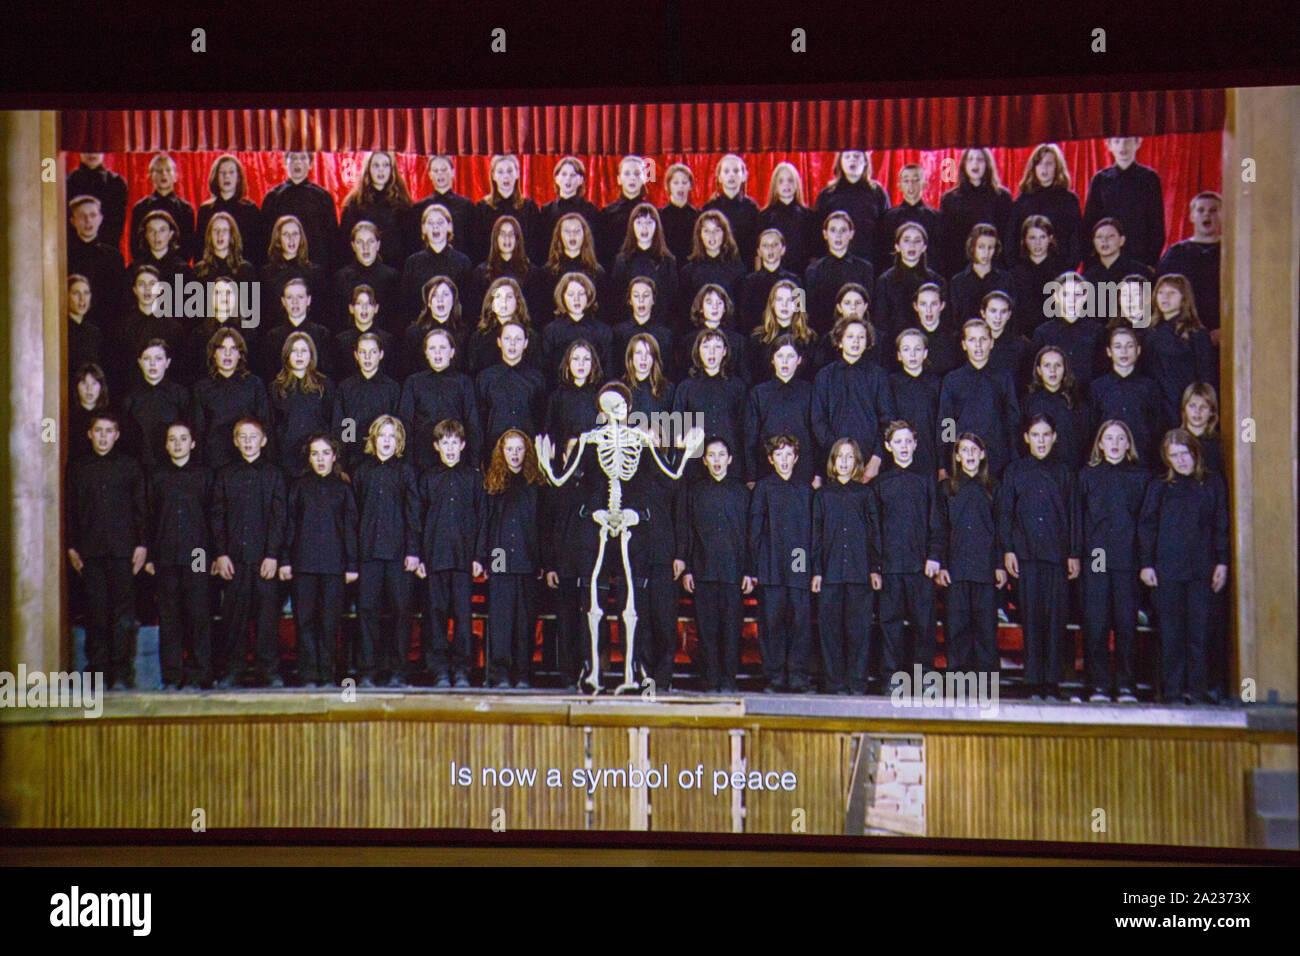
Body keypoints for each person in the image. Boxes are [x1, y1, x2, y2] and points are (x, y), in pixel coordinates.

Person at [1138, 429, 1229, 703]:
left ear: (1195, 452)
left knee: (1199, 634)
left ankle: (1198, 691)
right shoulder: (1159, 486)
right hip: (1168, 571)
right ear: (1167, 459)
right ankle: (1173, 692)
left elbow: (1221, 525)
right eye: (1174, 456)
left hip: (1202, 570)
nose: (1181, 460)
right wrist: (1146, 565)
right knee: (1171, 634)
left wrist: (1222, 562)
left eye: (1185, 453)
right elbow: (1147, 527)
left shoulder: (1212, 484)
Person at [997, 413, 1081, 699]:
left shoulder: (1065, 472)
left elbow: (1073, 515)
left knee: (1056, 620)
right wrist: (1008, 549)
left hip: (1056, 557)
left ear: (1055, 437)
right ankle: (1033, 681)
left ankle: (1052, 682)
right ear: (1026, 438)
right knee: (1032, 620)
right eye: (1036, 435)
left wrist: (1074, 553)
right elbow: (1005, 514)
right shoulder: (1015, 471)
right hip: (1027, 555)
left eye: (1046, 435)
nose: (1041, 441)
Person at [66, 413, 148, 690]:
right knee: (96, 613)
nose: (103, 437)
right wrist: (72, 546)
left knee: (123, 614)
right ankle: (98, 672)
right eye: (98, 431)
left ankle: (122, 672)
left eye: (109, 431)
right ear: (89, 434)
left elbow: (141, 509)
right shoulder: (77, 468)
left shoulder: (130, 467)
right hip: (90, 551)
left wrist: (142, 545)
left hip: (124, 550)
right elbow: (71, 510)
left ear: (117, 435)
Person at [621, 337, 681, 690]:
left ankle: (664, 675)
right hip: (632, 523)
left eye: (648, 354)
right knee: (636, 606)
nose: (643, 360)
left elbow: (673, 444)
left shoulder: (669, 394)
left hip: (664, 531)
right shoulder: (618, 394)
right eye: (636, 354)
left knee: (663, 610)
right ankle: (639, 672)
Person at [210, 417, 288, 688]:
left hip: (265, 560)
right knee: (235, 618)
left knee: (267, 619)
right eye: (241, 436)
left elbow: (280, 519)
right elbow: (217, 517)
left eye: (253, 436)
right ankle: (234, 669)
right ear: (234, 441)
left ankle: (269, 671)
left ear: (264, 441)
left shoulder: (275, 475)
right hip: (233, 559)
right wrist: (220, 554)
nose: (247, 441)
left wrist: (273, 555)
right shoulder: (224, 474)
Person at [279, 434, 359, 688]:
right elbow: (289, 525)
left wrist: (352, 565)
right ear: (308, 458)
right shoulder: (299, 487)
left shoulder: (343, 488)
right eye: (315, 454)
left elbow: (350, 528)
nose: (320, 459)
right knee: (305, 620)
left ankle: (326, 673)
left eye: (326, 453)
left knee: (328, 621)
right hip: (303, 565)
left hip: (334, 566)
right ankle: (307, 673)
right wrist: (284, 561)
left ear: (334, 457)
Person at [674, 437, 753, 692]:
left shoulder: (742, 493)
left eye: (721, 455)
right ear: (705, 460)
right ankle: (709, 681)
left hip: (733, 573)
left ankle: (729, 681)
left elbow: (750, 535)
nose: (717, 460)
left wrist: (750, 572)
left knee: (731, 630)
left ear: (729, 459)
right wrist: (687, 568)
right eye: (711, 455)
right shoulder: (695, 491)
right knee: (706, 631)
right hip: (703, 571)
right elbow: (686, 530)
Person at [1078, 420, 1149, 703]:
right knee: (1096, 623)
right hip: (1096, 557)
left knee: (1125, 624)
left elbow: (1144, 522)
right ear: (1100, 444)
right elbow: (1080, 518)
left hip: (1127, 558)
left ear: (1128, 444)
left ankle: (1126, 686)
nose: (1115, 444)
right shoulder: (1087, 475)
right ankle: (1098, 686)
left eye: (1121, 439)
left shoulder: (1140, 477)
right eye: (1109, 439)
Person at [352, 416, 421, 687]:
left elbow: (414, 515)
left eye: (393, 436)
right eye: (382, 436)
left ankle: (398, 672)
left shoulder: (407, 472)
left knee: (401, 612)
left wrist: (413, 552)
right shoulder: (361, 472)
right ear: (373, 439)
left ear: (399, 441)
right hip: (368, 553)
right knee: (367, 611)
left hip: (399, 554)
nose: (387, 441)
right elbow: (353, 515)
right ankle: (367, 671)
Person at [144, 421, 213, 690]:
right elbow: (148, 517)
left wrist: (213, 556)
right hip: (166, 553)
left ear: (192, 443)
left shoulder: (204, 475)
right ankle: (172, 676)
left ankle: (200, 675)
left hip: (196, 552)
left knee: (198, 614)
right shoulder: (157, 476)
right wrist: (150, 554)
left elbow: (213, 516)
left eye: (183, 439)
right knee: (170, 616)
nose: (177, 444)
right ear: (165, 444)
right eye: (172, 439)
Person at [475, 428, 547, 688]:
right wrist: (483, 558)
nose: (515, 455)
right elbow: (486, 523)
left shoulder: (535, 484)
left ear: (526, 452)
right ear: (501, 453)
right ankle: (501, 674)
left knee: (525, 621)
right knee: (502, 620)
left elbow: (542, 526)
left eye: (519, 449)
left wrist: (541, 561)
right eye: (509, 450)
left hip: (528, 560)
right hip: (500, 558)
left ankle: (524, 674)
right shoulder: (493, 484)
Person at [811, 438, 880, 694]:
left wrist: (874, 568)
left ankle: (857, 681)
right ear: (832, 461)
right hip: (829, 574)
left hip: (859, 573)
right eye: (839, 456)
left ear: (857, 463)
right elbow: (815, 536)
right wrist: (816, 570)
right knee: (830, 631)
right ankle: (834, 682)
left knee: (858, 631)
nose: (844, 462)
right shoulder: (822, 495)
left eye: (850, 457)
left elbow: (874, 534)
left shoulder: (865, 494)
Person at [874, 422, 944, 674]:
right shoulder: (880, 483)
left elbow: (936, 522)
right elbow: (875, 529)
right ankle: (891, 678)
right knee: (889, 624)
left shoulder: (926, 482)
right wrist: (877, 565)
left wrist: (934, 556)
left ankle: (921, 677)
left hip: (920, 566)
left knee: (923, 625)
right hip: (890, 566)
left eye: (907, 441)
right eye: (897, 442)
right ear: (888, 446)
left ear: (915, 444)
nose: (903, 447)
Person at [415, 419, 481, 688]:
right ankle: (439, 669)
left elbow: (483, 519)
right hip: (435, 558)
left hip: (464, 559)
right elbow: (417, 519)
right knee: (435, 614)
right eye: (445, 443)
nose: (450, 448)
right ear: (436, 446)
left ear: (463, 445)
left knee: (463, 617)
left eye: (455, 442)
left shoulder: (474, 477)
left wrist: (479, 557)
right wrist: (418, 556)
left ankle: (463, 669)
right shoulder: (427, 478)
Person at [935, 434, 1007, 675]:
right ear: (957, 456)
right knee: (957, 628)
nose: (970, 455)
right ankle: (959, 683)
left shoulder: (994, 487)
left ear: (983, 454)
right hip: (956, 569)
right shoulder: (947, 489)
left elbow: (1001, 529)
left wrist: (999, 564)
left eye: (975, 450)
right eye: (964, 450)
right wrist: (942, 565)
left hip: (985, 569)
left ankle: (986, 684)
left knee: (986, 629)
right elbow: (940, 528)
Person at [747, 434, 813, 693]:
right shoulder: (763, 489)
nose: (784, 460)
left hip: (798, 565)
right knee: (771, 622)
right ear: (770, 459)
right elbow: (755, 529)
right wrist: (754, 567)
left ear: (796, 458)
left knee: (799, 622)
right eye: (778, 455)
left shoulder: (805, 490)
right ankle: (774, 676)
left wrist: (807, 569)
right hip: (770, 565)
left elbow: (811, 532)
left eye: (788, 455)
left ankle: (798, 676)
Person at [811, 314, 895, 482]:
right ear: (840, 341)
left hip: (869, 465)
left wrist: (877, 458)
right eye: (850, 336)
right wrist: (837, 456)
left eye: (861, 337)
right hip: (834, 463)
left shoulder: (878, 375)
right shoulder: (825, 376)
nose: (856, 341)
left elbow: (888, 419)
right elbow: (818, 420)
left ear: (868, 342)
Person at [938, 319, 1020, 477]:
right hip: (964, 461)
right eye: (972, 340)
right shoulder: (952, 380)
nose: (978, 345)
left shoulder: (1003, 378)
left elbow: (1012, 420)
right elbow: (946, 423)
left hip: (998, 460)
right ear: (964, 344)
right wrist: (943, 463)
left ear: (991, 343)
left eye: (983, 340)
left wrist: (1014, 459)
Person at [399, 324, 481, 471]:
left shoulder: (464, 382)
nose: (438, 353)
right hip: (421, 461)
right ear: (426, 353)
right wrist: (408, 464)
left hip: (455, 461)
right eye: (432, 349)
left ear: (452, 352)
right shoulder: (413, 382)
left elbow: (472, 424)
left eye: (443, 348)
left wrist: (474, 463)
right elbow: (406, 424)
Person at [671, 329, 747, 478]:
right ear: (698, 351)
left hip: (729, 467)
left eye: (717, 347)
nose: (711, 352)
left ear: (725, 351)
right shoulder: (685, 387)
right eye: (706, 347)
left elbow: (743, 428)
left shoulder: (737, 387)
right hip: (695, 467)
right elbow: (676, 427)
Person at [191, 330, 271, 472]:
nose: (227, 354)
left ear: (240, 355)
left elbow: (264, 423)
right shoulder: (202, 388)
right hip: (214, 461)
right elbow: (199, 430)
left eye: (233, 349)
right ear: (213, 353)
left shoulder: (254, 384)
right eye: (222, 348)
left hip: (247, 460)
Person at [1142, 274, 1217, 425]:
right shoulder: (1149, 331)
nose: (1165, 298)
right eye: (1161, 293)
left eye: (1172, 293)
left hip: (1182, 407)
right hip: (1156, 407)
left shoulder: (1195, 333)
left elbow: (1205, 375)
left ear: (1184, 299)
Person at [1087, 325, 1166, 467]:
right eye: (1118, 346)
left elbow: (1156, 427)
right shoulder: (1097, 387)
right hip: (1108, 463)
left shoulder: (1150, 387)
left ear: (1138, 351)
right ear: (1109, 352)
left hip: (1142, 461)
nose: (1124, 351)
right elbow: (1092, 426)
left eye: (1129, 346)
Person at [1083, 136, 1165, 269]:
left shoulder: (1149, 179)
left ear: (1138, 142)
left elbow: (1156, 225)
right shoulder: (1100, 180)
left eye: (1127, 141)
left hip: (1139, 259)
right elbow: (1089, 224)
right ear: (1108, 145)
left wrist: (1150, 263)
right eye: (1117, 141)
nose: (1123, 146)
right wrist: (1092, 262)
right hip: (1106, 261)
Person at [744, 335, 815, 485]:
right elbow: (750, 438)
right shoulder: (758, 393)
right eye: (780, 356)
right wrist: (752, 477)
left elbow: (815, 436)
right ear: (772, 359)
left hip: (803, 472)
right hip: (766, 472)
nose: (784, 362)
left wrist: (818, 474)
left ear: (799, 360)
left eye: (790, 356)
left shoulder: (809, 392)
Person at [261, 151, 341, 278]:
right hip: (280, 273)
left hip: (315, 273)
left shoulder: (323, 197)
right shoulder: (273, 198)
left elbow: (333, 243)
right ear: (285, 163)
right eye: (293, 158)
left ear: (310, 164)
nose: (297, 162)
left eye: (302, 158)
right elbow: (264, 242)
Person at [1156, 192, 1222, 343]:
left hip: (1223, 336)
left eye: (1213, 210)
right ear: (1192, 216)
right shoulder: (1176, 253)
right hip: (1184, 336)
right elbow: (1161, 293)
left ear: (1222, 215)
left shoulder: (1232, 253)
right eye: (1200, 210)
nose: (1207, 215)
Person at [332, 330, 402, 473]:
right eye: (363, 352)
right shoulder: (346, 387)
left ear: (381, 354)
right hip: (354, 459)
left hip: (385, 460)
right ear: (356, 355)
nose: (368, 357)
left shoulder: (392, 387)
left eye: (373, 352)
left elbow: (396, 426)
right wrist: (343, 463)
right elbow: (344, 426)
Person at [1006, 144, 1084, 270]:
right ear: (1033, 168)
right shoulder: (1022, 201)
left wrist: (1066, 270)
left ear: (1057, 167)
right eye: (1039, 164)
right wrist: (1017, 270)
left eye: (1049, 164)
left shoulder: (1069, 200)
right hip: (1027, 273)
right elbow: (1011, 240)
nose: (1044, 168)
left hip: (1059, 273)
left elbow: (1076, 241)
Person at [475, 320, 545, 458]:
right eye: (507, 339)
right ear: (499, 342)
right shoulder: (485, 378)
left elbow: (541, 419)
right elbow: (479, 420)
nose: (512, 344)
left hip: (528, 453)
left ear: (525, 344)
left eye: (518, 339)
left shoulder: (536, 378)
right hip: (494, 452)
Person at [268, 332, 335, 478]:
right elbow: (272, 425)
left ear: (311, 355)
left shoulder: (324, 385)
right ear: (287, 355)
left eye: (304, 351)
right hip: (287, 459)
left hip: (317, 458)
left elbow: (333, 421)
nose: (299, 355)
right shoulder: (276, 387)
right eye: (294, 351)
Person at [938, 149, 1013, 278]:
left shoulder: (1002, 197)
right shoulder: (950, 199)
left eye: (980, 160)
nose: (975, 164)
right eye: (970, 159)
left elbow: (1008, 237)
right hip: (959, 271)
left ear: (988, 165)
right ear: (963, 165)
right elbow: (946, 243)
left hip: (994, 270)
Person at [872, 222, 946, 351]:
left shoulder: (937, 281)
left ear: (924, 247)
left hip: (930, 348)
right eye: (906, 241)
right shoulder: (885, 281)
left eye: (917, 241)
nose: (912, 245)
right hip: (896, 350)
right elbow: (880, 324)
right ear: (897, 246)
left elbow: (944, 323)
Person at [121, 339, 190, 474]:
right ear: (140, 362)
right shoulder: (131, 398)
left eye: (158, 359)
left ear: (167, 363)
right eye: (147, 359)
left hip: (172, 468)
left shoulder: (180, 395)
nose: (152, 364)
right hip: (140, 468)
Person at [339, 151, 414, 271]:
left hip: (396, 272)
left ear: (392, 169)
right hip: (362, 272)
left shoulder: (403, 204)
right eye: (376, 165)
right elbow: (344, 245)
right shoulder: (354, 203)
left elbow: (410, 244)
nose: (381, 170)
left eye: (385, 165)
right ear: (368, 169)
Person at [804, 211, 876, 334]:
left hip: (857, 335)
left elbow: (870, 308)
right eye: (833, 230)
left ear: (851, 234)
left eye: (843, 230)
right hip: (824, 336)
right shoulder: (813, 270)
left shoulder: (865, 268)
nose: (838, 235)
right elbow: (810, 311)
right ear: (825, 234)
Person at [813, 150, 890, 262]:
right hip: (835, 262)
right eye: (847, 156)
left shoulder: (878, 193)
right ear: (840, 162)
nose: (852, 160)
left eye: (856, 156)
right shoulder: (827, 195)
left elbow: (886, 232)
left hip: (871, 261)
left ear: (865, 162)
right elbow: (818, 235)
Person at [1032, 272, 1106, 386]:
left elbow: (1102, 371)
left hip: (1088, 397)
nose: (1072, 300)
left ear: (1085, 296)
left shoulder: (1097, 331)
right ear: (1056, 297)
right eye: (1065, 294)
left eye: (1077, 294)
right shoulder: (1043, 332)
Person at [401, 203, 473, 321]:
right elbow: (407, 306)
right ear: (423, 228)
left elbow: (468, 305)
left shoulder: (463, 262)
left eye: (440, 222)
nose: (435, 227)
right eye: (430, 223)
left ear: (449, 226)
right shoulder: (413, 263)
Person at [610, 203, 679, 325]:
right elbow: (616, 302)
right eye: (639, 223)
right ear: (632, 227)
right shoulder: (622, 261)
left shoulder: (667, 261)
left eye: (649, 223)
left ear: (657, 227)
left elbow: (672, 302)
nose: (644, 228)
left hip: (660, 327)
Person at [888, 329, 942, 479]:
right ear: (899, 355)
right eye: (906, 349)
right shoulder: (890, 384)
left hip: (931, 458)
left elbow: (948, 422)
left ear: (925, 353)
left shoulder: (938, 384)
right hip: (898, 459)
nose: (912, 355)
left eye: (917, 349)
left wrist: (945, 461)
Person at [1024, 346, 1089, 471]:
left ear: (1065, 370)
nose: (1052, 371)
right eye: (1047, 366)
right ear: (1039, 370)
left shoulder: (1077, 403)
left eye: (1058, 365)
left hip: (1070, 470)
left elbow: (1085, 439)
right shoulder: (1028, 403)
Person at [195, 154, 266, 268]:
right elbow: (199, 249)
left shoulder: (250, 210)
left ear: (238, 177)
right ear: (216, 177)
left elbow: (258, 251)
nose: (226, 176)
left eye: (231, 172)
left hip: (242, 273)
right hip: (213, 272)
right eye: (222, 173)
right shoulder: (206, 210)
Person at [262, 214, 330, 331]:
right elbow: (258, 317)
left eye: (295, 234)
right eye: (286, 235)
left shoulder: (315, 273)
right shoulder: (265, 274)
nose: (291, 239)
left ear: (301, 238)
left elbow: (323, 314)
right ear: (278, 239)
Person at [536, 212, 608, 324]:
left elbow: (602, 313)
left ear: (585, 235)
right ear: (559, 236)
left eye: (577, 231)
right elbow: (543, 313)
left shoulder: (597, 272)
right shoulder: (547, 272)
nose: (572, 235)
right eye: (567, 231)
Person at [258, 277, 335, 381]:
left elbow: (326, 372)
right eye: (290, 297)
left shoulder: (321, 334)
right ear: (283, 301)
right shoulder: (273, 336)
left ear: (308, 300)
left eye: (300, 297)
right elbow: (270, 374)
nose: (295, 302)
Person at [67, 195, 124, 333]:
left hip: (105, 330)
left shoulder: (114, 257)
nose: (88, 221)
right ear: (73, 221)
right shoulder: (65, 256)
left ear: (100, 219)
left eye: (93, 215)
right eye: (82, 216)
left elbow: (118, 302)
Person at [540, 272, 612, 380]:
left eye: (581, 294)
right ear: (562, 297)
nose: (576, 299)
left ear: (588, 296)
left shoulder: (602, 330)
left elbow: (608, 371)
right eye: (571, 294)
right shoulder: (551, 331)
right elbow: (547, 371)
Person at [473, 154, 540, 268]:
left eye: (510, 171)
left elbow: (535, 247)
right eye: (500, 172)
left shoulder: (529, 208)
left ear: (517, 174)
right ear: (493, 175)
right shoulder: (482, 208)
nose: (506, 176)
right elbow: (477, 248)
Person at [876, 163, 944, 273]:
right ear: (899, 186)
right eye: (906, 181)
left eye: (916, 180)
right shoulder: (889, 217)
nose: (911, 185)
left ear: (925, 184)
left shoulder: (936, 218)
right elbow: (884, 253)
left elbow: (939, 255)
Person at [333, 221, 400, 332]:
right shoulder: (341, 278)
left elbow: (395, 321)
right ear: (353, 246)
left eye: (371, 242)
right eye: (360, 242)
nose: (366, 247)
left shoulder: (391, 278)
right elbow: (337, 320)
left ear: (378, 245)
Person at [129, 153, 197, 263]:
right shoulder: (140, 208)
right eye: (158, 171)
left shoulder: (185, 209)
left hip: (176, 269)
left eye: (168, 170)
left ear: (175, 176)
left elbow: (188, 247)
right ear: (150, 176)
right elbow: (135, 246)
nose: (163, 174)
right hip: (147, 269)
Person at [748, 279, 817, 384]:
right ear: (772, 304)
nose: (784, 304)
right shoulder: (758, 338)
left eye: (790, 300)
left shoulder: (809, 337)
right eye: (779, 300)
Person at [677, 284, 749, 386]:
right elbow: (682, 378)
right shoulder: (688, 341)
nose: (715, 307)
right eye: (709, 303)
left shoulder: (738, 341)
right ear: (701, 308)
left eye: (719, 303)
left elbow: (745, 379)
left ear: (725, 308)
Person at [1010, 215, 1067, 338]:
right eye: (1032, 238)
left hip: (1055, 335)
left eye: (1042, 237)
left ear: (1050, 239)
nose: (1038, 243)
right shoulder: (1016, 273)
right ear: (1025, 240)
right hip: (1024, 337)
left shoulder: (1061, 272)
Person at [408, 155, 475, 260]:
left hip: (459, 266)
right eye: (435, 170)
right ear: (430, 174)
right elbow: (414, 244)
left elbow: (473, 243)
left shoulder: (466, 206)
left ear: (453, 172)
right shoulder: (419, 208)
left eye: (444, 169)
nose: (440, 174)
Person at [467, 214, 532, 318]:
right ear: (495, 239)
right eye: (502, 234)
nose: (507, 238)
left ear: (518, 239)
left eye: (511, 234)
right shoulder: (481, 272)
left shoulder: (531, 272)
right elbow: (476, 311)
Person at [737, 228, 801, 333]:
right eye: (765, 246)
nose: (770, 249)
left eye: (775, 245)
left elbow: (800, 312)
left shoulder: (795, 280)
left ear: (783, 249)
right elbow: (744, 318)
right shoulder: (748, 282)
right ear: (759, 252)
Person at [701, 154, 761, 267]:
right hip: (716, 267)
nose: (731, 175)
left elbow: (757, 245)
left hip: (745, 268)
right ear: (719, 177)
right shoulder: (710, 208)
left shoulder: (752, 208)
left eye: (736, 171)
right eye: (726, 171)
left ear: (744, 176)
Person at [758, 162, 818, 274]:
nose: (786, 185)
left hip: (801, 279)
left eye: (790, 180)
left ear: (797, 184)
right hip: (772, 277)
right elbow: (758, 256)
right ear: (775, 186)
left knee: (799, 292)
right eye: (781, 181)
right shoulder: (764, 217)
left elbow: (814, 254)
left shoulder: (809, 216)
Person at [948, 223, 1014, 325]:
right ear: (972, 247)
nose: (986, 252)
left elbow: (1012, 316)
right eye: (981, 247)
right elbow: (955, 319)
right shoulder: (958, 281)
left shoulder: (1005, 279)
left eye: (990, 247)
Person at [538, 156, 600, 264]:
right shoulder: (546, 211)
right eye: (564, 174)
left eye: (573, 175)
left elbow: (595, 246)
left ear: (581, 180)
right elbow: (542, 248)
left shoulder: (590, 210)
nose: (568, 179)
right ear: (556, 178)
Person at [401, 276, 465, 379]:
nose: (440, 300)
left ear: (453, 300)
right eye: (434, 295)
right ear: (428, 302)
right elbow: (407, 370)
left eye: (445, 295)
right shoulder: (413, 333)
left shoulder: (464, 332)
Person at [680, 209, 746, 306]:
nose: (712, 235)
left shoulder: (737, 269)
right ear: (699, 235)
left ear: (725, 234)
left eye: (717, 230)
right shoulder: (689, 272)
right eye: (706, 231)